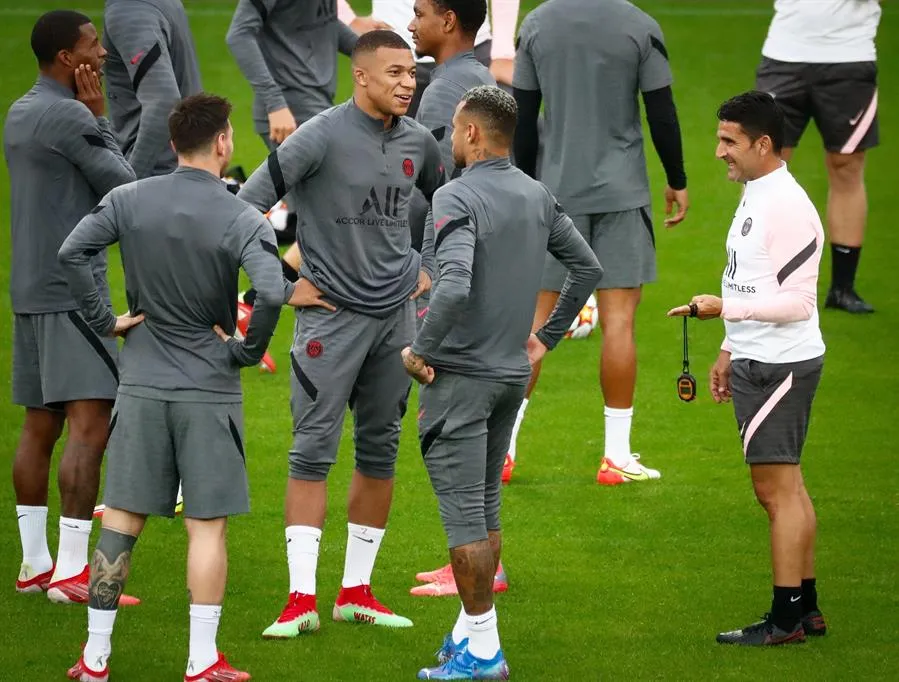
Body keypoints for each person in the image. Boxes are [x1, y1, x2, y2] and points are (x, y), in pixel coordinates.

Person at [60, 93, 292, 682]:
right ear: (223, 142)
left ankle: (94, 658)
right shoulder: (242, 215)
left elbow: (73, 251)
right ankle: (201, 660)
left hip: (140, 384)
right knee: (206, 526)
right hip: (209, 390)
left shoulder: (129, 198)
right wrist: (246, 351)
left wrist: (105, 320)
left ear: (172, 143)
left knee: (120, 521)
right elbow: (271, 291)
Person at [237, 29, 445, 638]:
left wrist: (430, 270)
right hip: (329, 321)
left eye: (412, 73)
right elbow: (244, 208)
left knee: (380, 450)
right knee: (311, 453)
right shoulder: (319, 135)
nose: (408, 83)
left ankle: (356, 593)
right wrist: (281, 285)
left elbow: (451, 205)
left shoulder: (419, 142)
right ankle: (300, 600)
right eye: (395, 73)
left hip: (396, 323)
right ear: (360, 75)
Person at [403, 85, 602, 679]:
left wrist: (420, 350)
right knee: (486, 507)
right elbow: (587, 266)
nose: (449, 137)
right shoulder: (536, 194)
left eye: (453, 127)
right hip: (511, 377)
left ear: (472, 133)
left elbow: (454, 285)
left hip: (460, 378)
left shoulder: (455, 195)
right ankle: (468, 634)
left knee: (464, 517)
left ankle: (485, 653)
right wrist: (547, 337)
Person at [668, 91, 827, 646]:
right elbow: (750, 277)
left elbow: (799, 303)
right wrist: (729, 347)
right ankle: (807, 608)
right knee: (790, 487)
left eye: (728, 141)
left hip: (780, 365)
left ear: (763, 144)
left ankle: (784, 620)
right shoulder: (758, 192)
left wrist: (724, 310)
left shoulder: (787, 206)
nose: (719, 152)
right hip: (758, 357)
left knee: (776, 493)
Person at [510, 0, 689, 485]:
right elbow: (661, 112)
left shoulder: (537, 24)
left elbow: (522, 116)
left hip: (553, 195)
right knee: (619, 323)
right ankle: (616, 457)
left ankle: (502, 450)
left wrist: (521, 187)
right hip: (622, 195)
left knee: (534, 321)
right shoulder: (639, 26)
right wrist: (676, 178)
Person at [4, 9, 137, 605]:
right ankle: (72, 574)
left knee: (40, 424)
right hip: (71, 294)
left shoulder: (21, 109)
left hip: (31, 290)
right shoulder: (70, 115)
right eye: (93, 44)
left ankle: (35, 565)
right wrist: (101, 116)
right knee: (89, 425)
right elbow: (125, 188)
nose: (102, 53)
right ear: (67, 58)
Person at [404, 0, 508, 600]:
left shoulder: (446, 91)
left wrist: (417, 260)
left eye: (419, 12)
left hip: (451, 275)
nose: (410, 24)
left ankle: (474, 571)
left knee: (454, 437)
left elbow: (433, 192)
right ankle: (488, 563)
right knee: (482, 450)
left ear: (448, 21)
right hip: (485, 274)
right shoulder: (477, 77)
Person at [755, 0, 881, 314]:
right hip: (783, 54)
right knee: (763, 168)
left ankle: (842, 288)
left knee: (846, 166)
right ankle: (758, 281)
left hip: (849, 58)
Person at [338, 0, 519, 117]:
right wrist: (347, 19)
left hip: (471, 48)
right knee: (383, 153)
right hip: (389, 51)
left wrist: (503, 52)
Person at [102, 0, 203, 179]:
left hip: (157, 174)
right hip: (185, 166)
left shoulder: (129, 12)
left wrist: (130, 182)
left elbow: (162, 102)